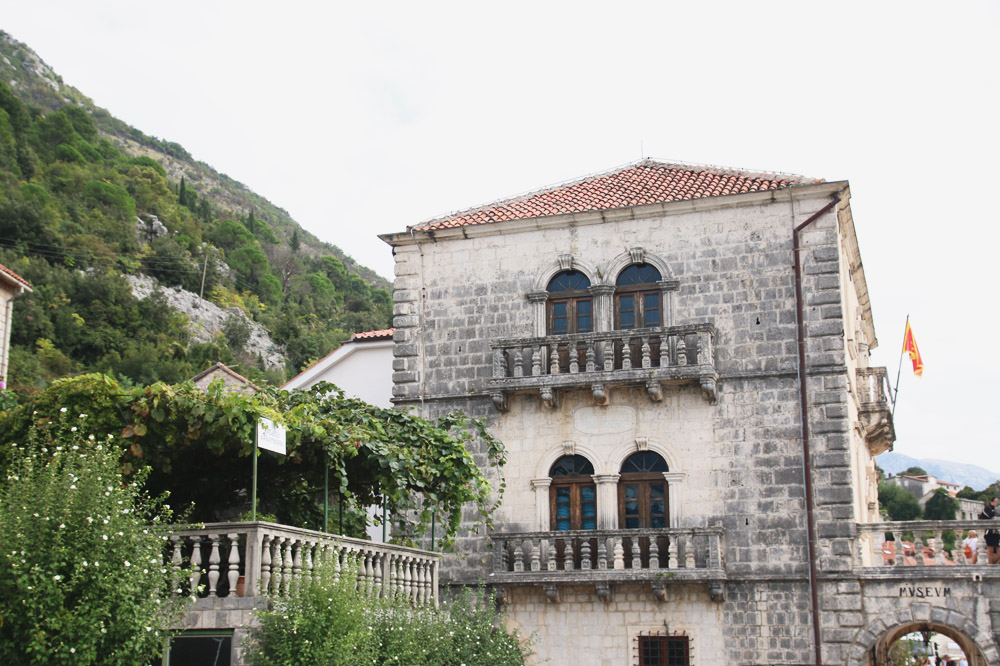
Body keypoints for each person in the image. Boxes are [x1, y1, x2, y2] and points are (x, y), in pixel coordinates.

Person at [979, 496, 1000, 564]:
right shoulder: (987, 509)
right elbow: (990, 515)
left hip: (997, 532)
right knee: (990, 550)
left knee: (998, 551)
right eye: (996, 502)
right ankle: (990, 565)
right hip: (989, 532)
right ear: (992, 502)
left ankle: (992, 564)